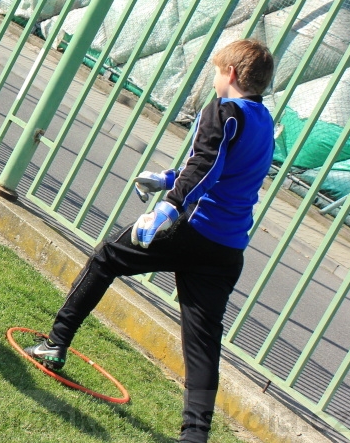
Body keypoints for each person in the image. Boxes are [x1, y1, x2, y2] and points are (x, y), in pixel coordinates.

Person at [24, 39, 275, 443]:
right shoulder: (262, 120)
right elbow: (224, 169)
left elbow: (208, 164)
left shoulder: (222, 109)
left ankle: (55, 343)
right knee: (203, 343)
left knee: (105, 257)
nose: (213, 78)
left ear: (229, 74)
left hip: (192, 229)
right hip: (227, 249)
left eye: (215, 71)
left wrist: (169, 205)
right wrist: (170, 177)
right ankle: (194, 436)